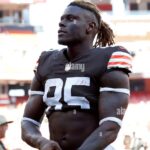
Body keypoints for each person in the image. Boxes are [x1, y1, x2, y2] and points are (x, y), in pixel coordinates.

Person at [21, 1, 132, 150]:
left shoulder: (109, 58)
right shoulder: (45, 61)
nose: (61, 24)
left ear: (90, 27)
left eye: (70, 19)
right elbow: (28, 122)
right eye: (61, 19)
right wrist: (41, 142)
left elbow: (110, 128)